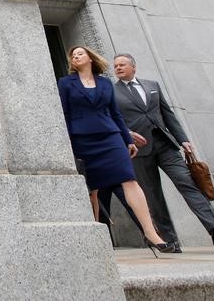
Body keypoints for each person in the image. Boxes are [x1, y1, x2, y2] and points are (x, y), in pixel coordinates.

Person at [111, 53, 214, 252]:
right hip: (138, 149)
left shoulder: (152, 85)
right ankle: (169, 241)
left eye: (122, 64)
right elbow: (113, 118)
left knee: (187, 183)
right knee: (153, 196)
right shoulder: (112, 91)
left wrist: (183, 139)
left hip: (166, 144)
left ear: (133, 67)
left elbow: (167, 114)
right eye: (116, 66)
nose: (118, 68)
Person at [57, 46, 176, 254]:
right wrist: (67, 142)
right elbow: (64, 113)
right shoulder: (66, 83)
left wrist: (126, 138)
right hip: (82, 139)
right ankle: (96, 241)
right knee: (93, 190)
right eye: (73, 55)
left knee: (129, 180)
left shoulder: (105, 83)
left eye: (80, 53)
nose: (76, 56)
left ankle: (151, 233)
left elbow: (115, 113)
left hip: (110, 137)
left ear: (90, 58)